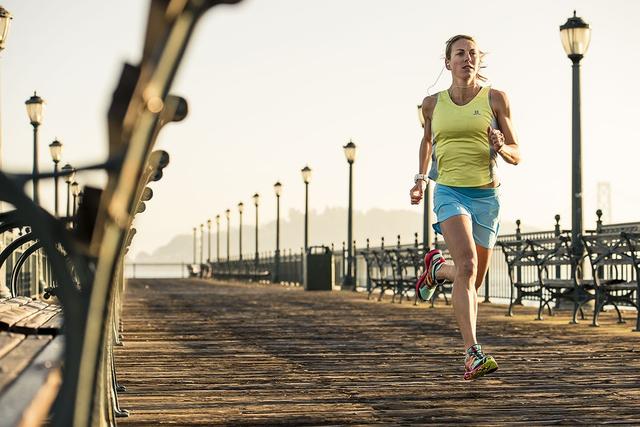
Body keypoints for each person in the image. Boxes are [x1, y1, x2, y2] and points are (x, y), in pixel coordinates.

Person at [410, 34, 520, 380]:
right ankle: (472, 353)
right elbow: (428, 140)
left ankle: (437, 269)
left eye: (473, 53)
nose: (467, 58)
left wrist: (501, 147)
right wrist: (421, 179)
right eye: (460, 53)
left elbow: (517, 153)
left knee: (472, 280)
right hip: (450, 192)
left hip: (487, 197)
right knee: (469, 264)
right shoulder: (432, 104)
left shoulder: (497, 99)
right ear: (448, 62)